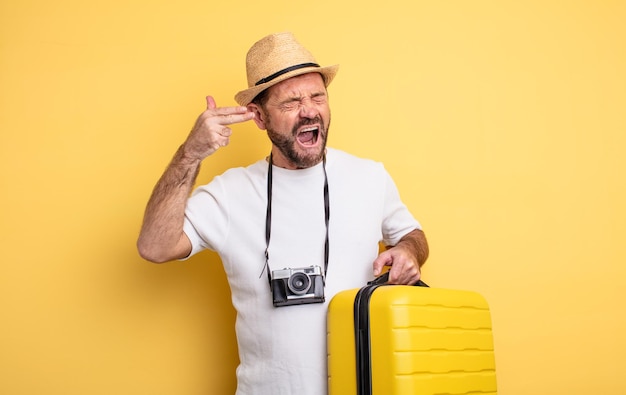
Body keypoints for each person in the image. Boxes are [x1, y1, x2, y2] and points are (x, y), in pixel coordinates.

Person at [137, 32, 428, 395]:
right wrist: (190, 153)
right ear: (259, 117)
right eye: (291, 101)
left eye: (317, 96)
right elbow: (154, 246)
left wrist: (410, 253)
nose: (309, 110)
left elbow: (411, 234)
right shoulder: (230, 193)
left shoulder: (370, 176)